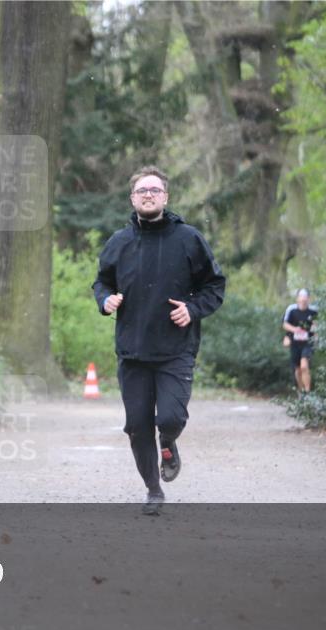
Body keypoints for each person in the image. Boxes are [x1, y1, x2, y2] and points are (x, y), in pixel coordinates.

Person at [92, 166, 226, 515]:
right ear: (132, 199)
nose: (148, 195)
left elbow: (215, 285)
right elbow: (102, 282)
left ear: (165, 197)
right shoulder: (118, 242)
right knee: (137, 426)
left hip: (175, 349)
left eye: (154, 190)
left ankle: (168, 442)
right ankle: (153, 489)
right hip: (132, 351)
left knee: (168, 418)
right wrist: (105, 300)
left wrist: (193, 309)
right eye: (141, 191)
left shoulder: (188, 239)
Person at [283, 288, 318, 393]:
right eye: (301, 298)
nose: (303, 301)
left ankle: (307, 392)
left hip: (307, 343)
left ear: (308, 299)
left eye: (305, 298)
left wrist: (316, 337)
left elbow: (316, 325)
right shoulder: (291, 310)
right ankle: (301, 390)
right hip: (295, 343)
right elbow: (285, 324)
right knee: (298, 370)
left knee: (304, 366)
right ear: (297, 299)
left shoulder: (313, 311)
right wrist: (294, 330)